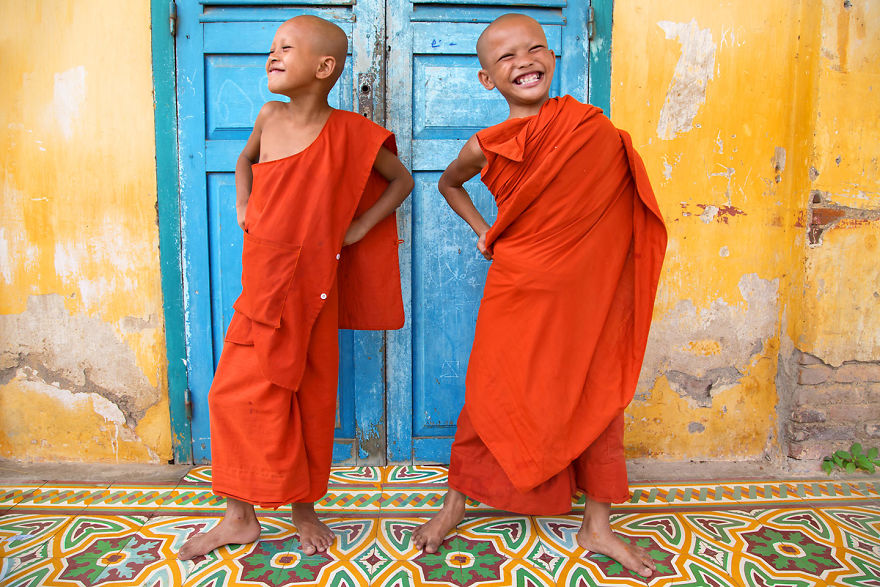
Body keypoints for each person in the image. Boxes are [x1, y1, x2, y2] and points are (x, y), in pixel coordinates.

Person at [411, 13, 667, 578]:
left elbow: (623, 212)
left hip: (587, 294)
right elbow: (448, 184)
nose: (523, 61)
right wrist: (486, 231)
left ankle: (596, 526)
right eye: (505, 57)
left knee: (596, 390)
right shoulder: (487, 144)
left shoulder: (591, 130)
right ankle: (455, 503)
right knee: (489, 391)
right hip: (519, 282)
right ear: (486, 80)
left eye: (534, 49)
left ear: (553, 58)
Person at [179, 15, 413, 560]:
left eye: (287, 48)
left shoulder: (351, 133)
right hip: (261, 285)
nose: (272, 55)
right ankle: (239, 517)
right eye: (272, 47)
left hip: (313, 289)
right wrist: (243, 202)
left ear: (324, 67)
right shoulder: (269, 115)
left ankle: (304, 508)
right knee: (230, 397)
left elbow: (399, 180)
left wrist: (357, 227)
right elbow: (245, 160)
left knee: (308, 400)